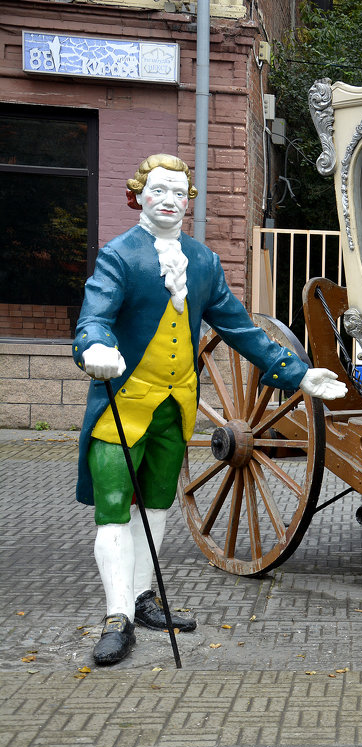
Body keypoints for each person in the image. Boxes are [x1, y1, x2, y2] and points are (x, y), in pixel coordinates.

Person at [74, 154, 346, 666]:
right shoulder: (119, 257)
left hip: (176, 406)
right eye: (159, 191)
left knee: (155, 506)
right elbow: (95, 316)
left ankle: (142, 598)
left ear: (189, 201)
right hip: (123, 405)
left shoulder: (202, 262)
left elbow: (240, 329)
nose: (170, 201)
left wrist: (299, 374)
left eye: (179, 192)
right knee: (114, 507)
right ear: (138, 195)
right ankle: (117, 618)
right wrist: (94, 349)